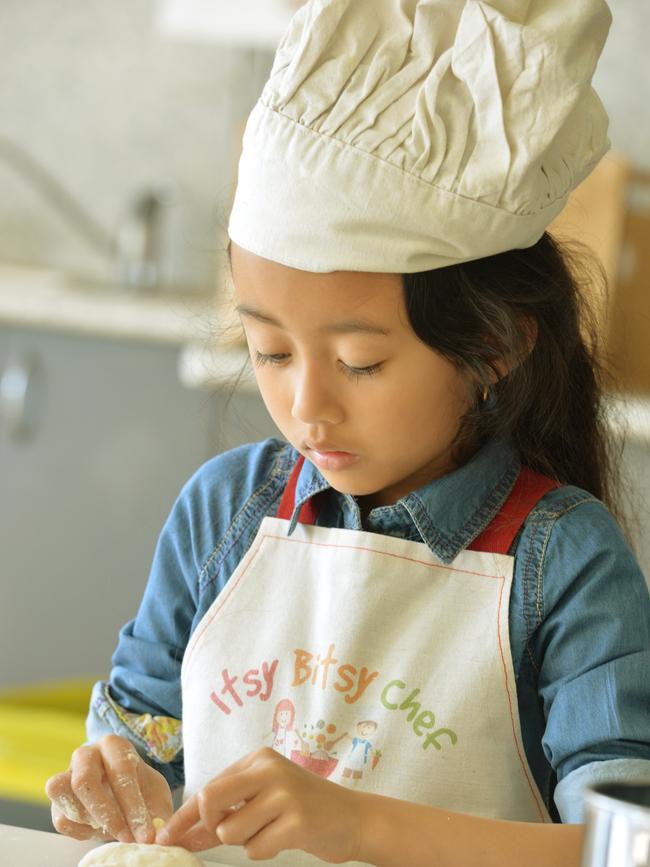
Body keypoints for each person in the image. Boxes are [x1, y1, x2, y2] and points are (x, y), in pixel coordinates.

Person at [46, 1, 650, 865]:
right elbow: (145, 737)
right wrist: (107, 772)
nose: (307, 407)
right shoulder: (222, 511)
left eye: (361, 361)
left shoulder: (565, 564)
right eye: (269, 350)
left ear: (497, 345)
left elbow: (627, 848)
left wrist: (359, 824)